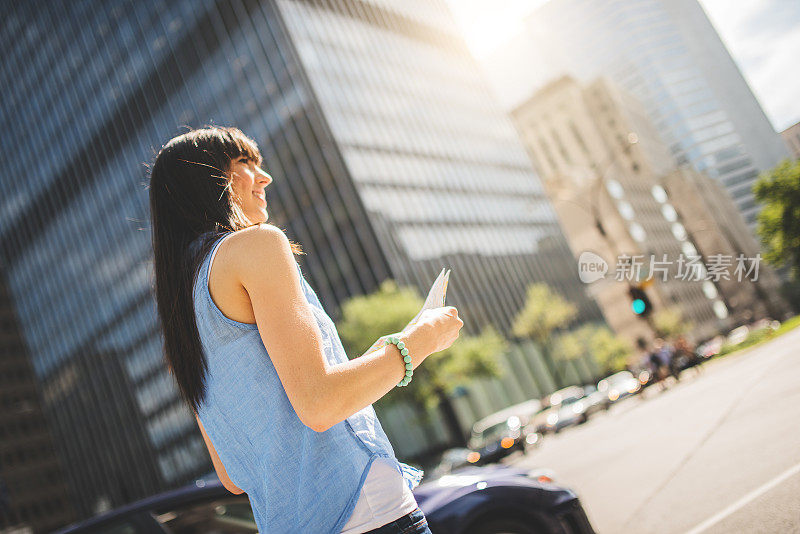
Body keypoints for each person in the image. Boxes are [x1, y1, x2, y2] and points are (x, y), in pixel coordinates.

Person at [148, 126, 463, 533]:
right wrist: (418, 343)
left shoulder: (182, 316)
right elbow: (319, 404)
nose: (265, 178)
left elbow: (231, 474)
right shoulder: (256, 246)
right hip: (370, 516)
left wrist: (387, 350)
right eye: (245, 163)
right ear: (206, 180)